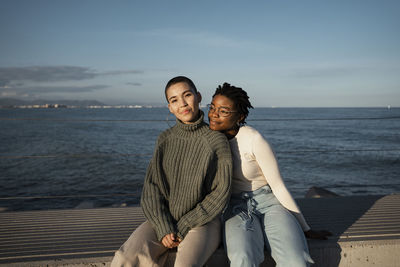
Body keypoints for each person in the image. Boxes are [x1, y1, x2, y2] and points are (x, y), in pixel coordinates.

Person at [111, 76, 232, 267]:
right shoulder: (165, 139)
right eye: (174, 100)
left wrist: (184, 225)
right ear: (169, 107)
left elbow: (220, 192)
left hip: (203, 222)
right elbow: (152, 188)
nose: (182, 104)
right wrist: (163, 226)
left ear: (198, 97)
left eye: (187, 95)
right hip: (164, 219)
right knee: (125, 258)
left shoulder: (216, 140)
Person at [208, 83, 331, 267]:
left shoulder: (253, 139)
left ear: (240, 116)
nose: (214, 114)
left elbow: (278, 186)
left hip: (269, 203)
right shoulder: (206, 139)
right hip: (235, 207)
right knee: (243, 258)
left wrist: (305, 228)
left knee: (295, 260)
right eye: (212, 108)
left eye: (223, 111)